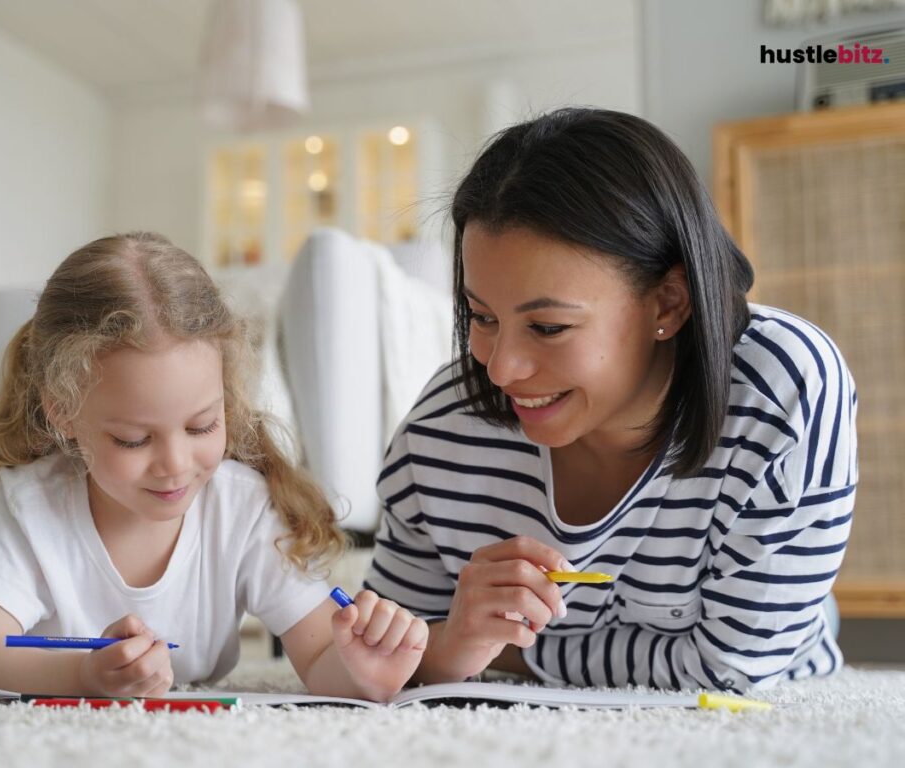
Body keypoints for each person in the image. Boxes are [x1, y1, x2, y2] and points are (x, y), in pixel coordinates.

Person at [364, 107, 856, 693]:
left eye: (547, 327)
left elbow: (730, 671)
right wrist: (450, 646)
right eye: (483, 316)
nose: (500, 368)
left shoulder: (783, 391)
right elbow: (378, 656)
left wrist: (500, 654)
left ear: (668, 304)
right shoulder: (441, 431)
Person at [0, 232, 427, 701]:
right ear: (63, 412)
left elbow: (319, 657)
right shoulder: (25, 503)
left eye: (202, 426)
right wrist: (82, 676)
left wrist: (364, 667)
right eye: (134, 440)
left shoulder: (243, 507)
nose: (176, 467)